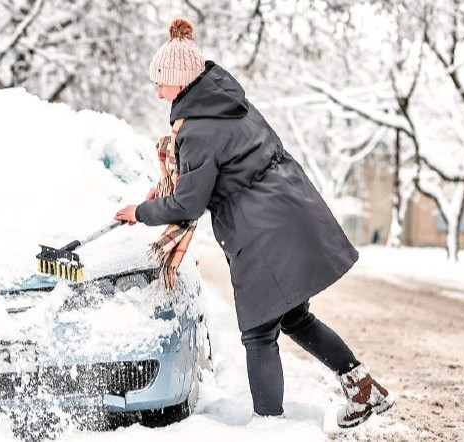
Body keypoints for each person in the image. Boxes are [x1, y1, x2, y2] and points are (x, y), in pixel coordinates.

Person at [114, 18, 395, 428]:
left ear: (180, 80)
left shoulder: (199, 128)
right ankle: (363, 386)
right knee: (295, 317)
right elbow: (209, 176)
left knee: (259, 331)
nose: (157, 91)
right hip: (289, 211)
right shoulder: (228, 104)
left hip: (261, 229)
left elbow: (189, 205)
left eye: (161, 82)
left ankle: (270, 428)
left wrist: (139, 212)